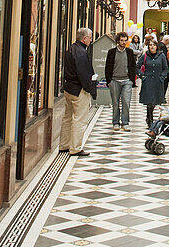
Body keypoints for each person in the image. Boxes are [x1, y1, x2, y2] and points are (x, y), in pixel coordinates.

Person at [59, 27, 96, 156]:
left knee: (67, 117)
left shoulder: (71, 48)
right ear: (84, 38)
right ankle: (75, 148)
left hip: (68, 88)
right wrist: (89, 88)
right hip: (78, 90)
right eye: (90, 38)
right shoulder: (81, 52)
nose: (91, 40)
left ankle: (64, 145)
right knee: (79, 119)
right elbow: (83, 73)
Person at [104, 32, 137, 131]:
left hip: (127, 80)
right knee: (115, 102)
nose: (123, 42)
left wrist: (132, 80)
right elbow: (108, 67)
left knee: (126, 102)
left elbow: (132, 66)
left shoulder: (130, 52)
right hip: (114, 80)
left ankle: (125, 122)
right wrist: (108, 80)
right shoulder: (111, 52)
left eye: (125, 40)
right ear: (118, 41)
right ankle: (116, 122)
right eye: (122, 40)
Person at [138, 39, 168, 128]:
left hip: (157, 81)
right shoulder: (145, 56)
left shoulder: (161, 56)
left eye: (154, 45)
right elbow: (137, 66)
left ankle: (148, 117)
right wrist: (142, 76)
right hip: (148, 81)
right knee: (149, 102)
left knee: (155, 101)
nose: (152, 46)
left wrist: (162, 77)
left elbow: (165, 68)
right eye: (150, 45)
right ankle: (150, 120)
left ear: (156, 46)